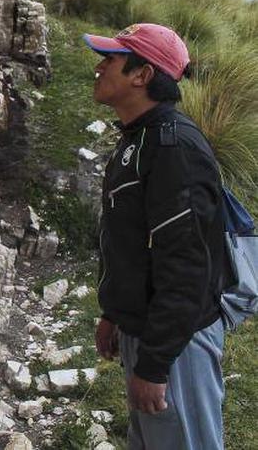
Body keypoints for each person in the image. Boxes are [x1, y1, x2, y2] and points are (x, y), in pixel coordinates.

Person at [83, 23, 229, 450]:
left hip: (177, 346)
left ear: (142, 75)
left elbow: (187, 269)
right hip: (144, 331)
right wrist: (115, 313)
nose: (98, 66)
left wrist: (156, 364)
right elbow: (130, 242)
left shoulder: (173, 150)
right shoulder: (140, 138)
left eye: (109, 59)